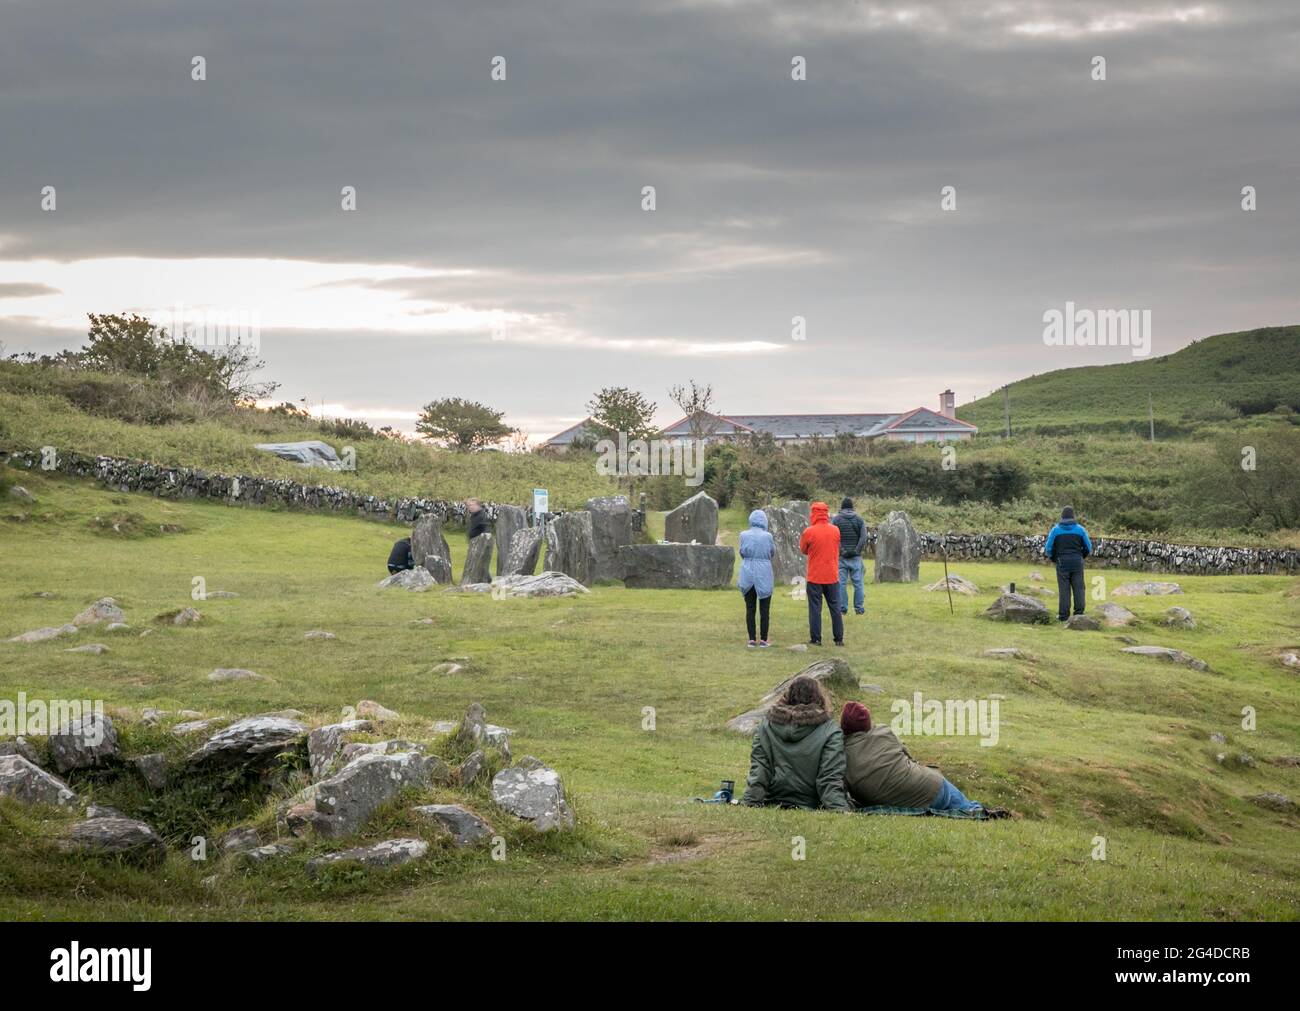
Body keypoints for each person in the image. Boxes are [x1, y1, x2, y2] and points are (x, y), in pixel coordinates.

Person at [839, 701, 985, 813]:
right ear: (868, 723)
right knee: (970, 809)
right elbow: (907, 755)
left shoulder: (840, 754)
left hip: (891, 804)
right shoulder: (883, 731)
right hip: (929, 787)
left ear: (843, 725)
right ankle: (978, 810)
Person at [741, 676, 850, 811]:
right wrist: (840, 809)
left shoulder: (765, 726)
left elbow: (760, 770)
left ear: (787, 696)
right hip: (811, 803)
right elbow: (829, 777)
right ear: (819, 697)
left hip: (774, 799)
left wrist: (749, 802)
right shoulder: (831, 730)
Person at [799, 501, 843, 646]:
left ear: (813, 514)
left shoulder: (809, 532)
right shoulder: (835, 530)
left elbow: (803, 550)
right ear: (826, 513)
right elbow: (837, 547)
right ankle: (838, 639)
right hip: (832, 575)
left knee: (815, 609)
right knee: (835, 608)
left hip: (815, 576)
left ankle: (816, 639)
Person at [1044, 506, 1092, 622]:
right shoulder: (1080, 530)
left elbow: (1048, 548)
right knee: (1079, 587)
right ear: (1073, 516)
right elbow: (1089, 547)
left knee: (1064, 589)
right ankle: (1079, 614)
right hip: (1077, 561)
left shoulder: (1055, 530)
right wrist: (1082, 556)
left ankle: (1063, 616)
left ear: (1062, 516)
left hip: (1062, 562)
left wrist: (1054, 558)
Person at [737, 509, 775, 647]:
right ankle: (764, 640)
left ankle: (751, 639)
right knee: (765, 608)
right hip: (764, 572)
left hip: (747, 571)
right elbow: (772, 552)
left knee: (750, 607)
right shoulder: (768, 536)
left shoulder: (743, 535)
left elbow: (741, 551)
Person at [832, 497, 867, 617]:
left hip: (841, 557)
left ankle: (843, 609)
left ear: (842, 507)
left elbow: (834, 537)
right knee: (858, 583)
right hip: (856, 557)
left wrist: (842, 550)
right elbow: (863, 538)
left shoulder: (836, 520)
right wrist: (856, 551)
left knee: (841, 583)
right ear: (852, 507)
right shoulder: (859, 519)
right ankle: (859, 608)